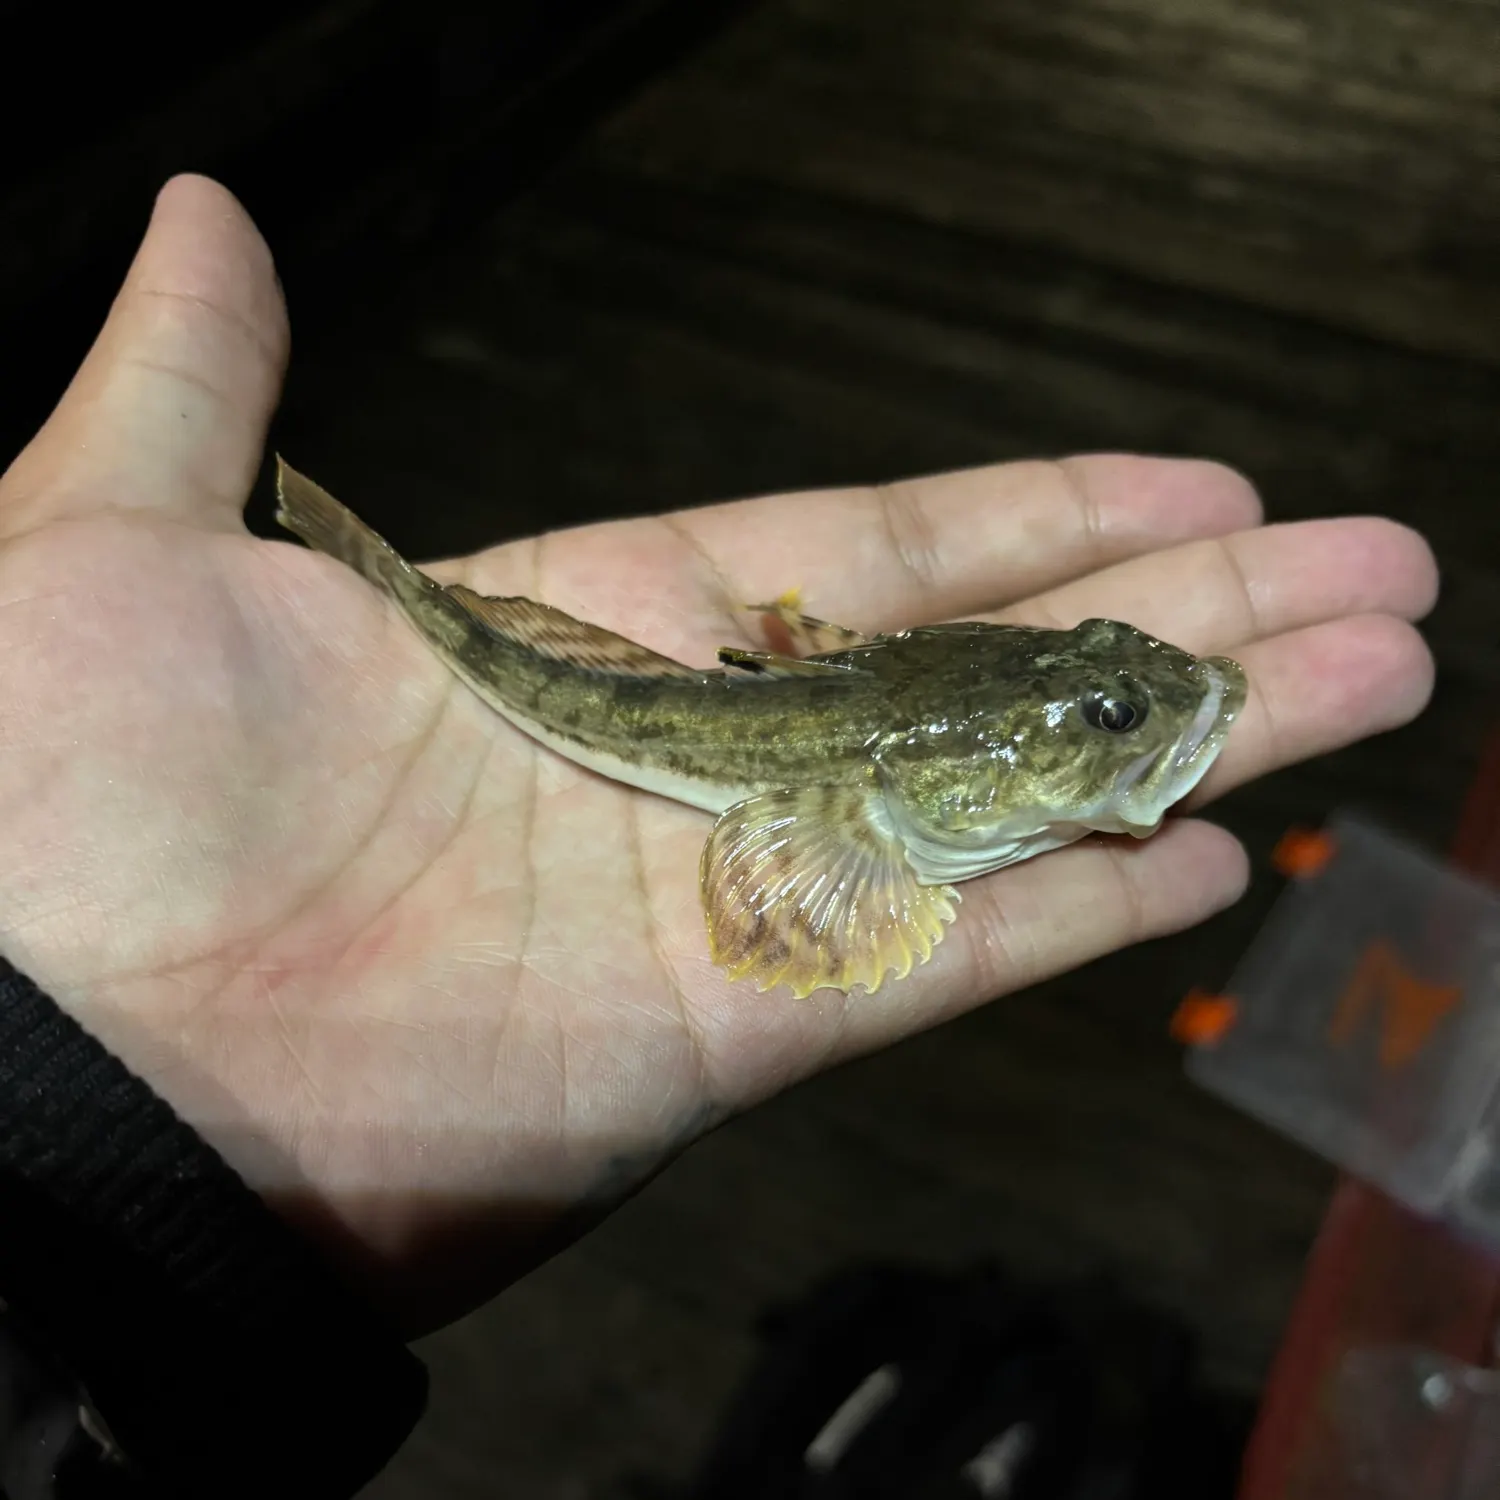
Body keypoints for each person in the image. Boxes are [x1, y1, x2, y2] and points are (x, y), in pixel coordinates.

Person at [0, 175, 1438, 1498]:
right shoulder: (861, 786)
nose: (1162, 713)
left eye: (1112, 697)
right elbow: (807, 885)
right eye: (1113, 711)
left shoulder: (920, 720)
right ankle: (370, 568)